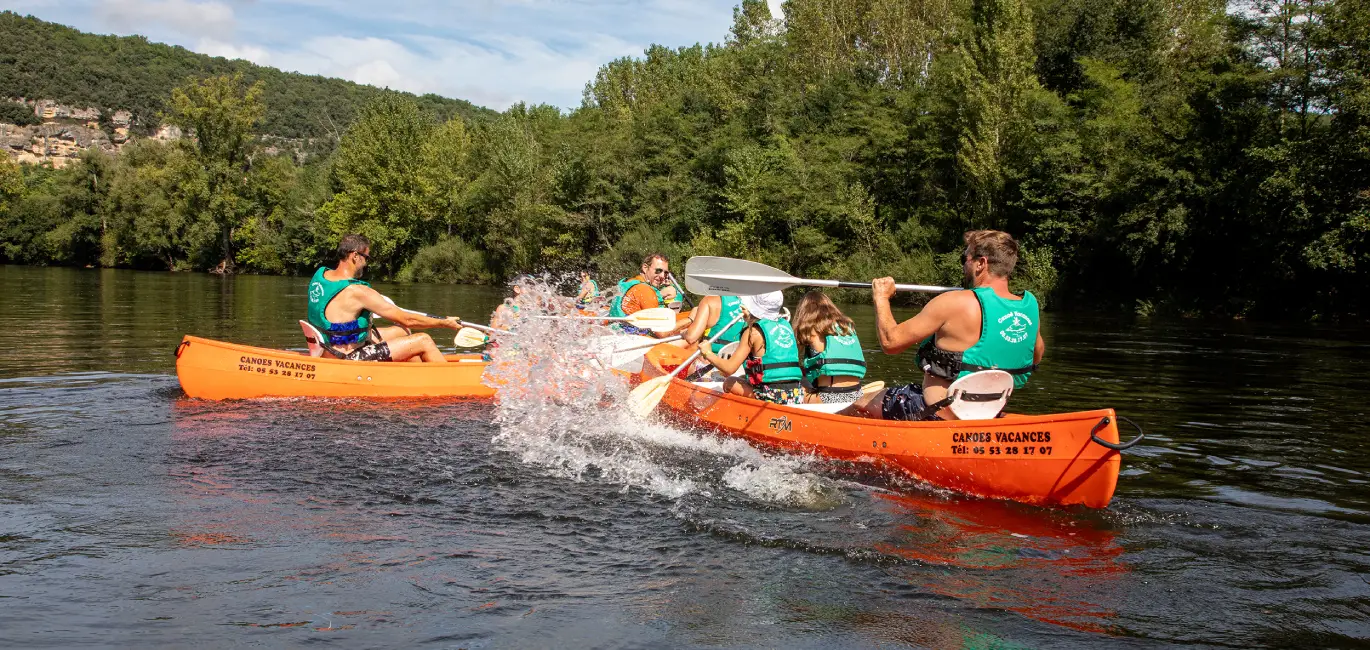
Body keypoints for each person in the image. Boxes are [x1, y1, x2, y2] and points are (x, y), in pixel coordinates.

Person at [851, 230, 1044, 421]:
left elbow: (890, 342)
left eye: (965, 259)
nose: (963, 266)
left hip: (936, 412)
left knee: (858, 402)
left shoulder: (953, 302)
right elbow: (1035, 356)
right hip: (987, 414)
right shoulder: (1028, 307)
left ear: (981, 263)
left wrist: (881, 297)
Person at [306, 234, 463, 363]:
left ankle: (414, 374)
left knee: (402, 332)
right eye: (366, 257)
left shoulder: (320, 276)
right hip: (348, 358)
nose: (366, 263)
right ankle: (450, 382)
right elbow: (407, 319)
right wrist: (443, 323)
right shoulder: (358, 291)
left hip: (327, 349)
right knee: (423, 340)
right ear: (355, 256)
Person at [695, 291, 805, 405]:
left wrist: (707, 352)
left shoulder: (752, 332)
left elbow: (729, 369)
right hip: (795, 394)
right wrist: (750, 320)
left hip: (772, 397)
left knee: (729, 382)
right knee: (744, 377)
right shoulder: (786, 326)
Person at [793, 291, 866, 405]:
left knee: (791, 383)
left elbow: (791, 358)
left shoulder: (810, 330)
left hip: (829, 397)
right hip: (857, 394)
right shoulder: (847, 326)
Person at [607, 253, 672, 336]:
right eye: (658, 271)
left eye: (665, 273)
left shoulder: (629, 281)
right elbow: (661, 333)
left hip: (617, 334)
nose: (662, 276)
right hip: (631, 339)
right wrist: (690, 319)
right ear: (645, 268)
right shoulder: (645, 290)